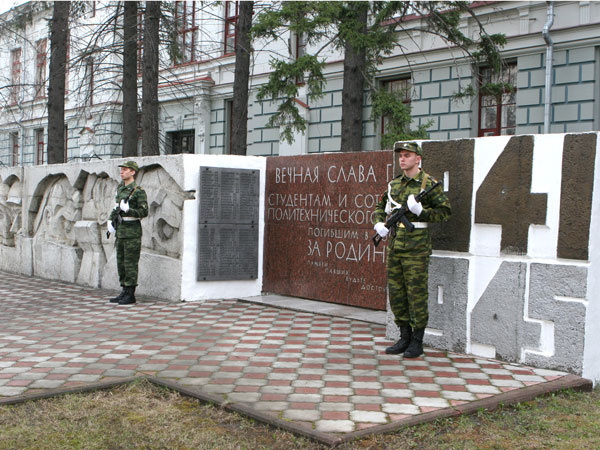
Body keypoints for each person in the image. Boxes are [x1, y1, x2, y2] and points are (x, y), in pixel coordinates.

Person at [373, 142, 451, 358]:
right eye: (400, 156)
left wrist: (421, 212)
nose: (402, 159)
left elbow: (445, 212)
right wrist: (379, 223)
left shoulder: (428, 184)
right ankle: (404, 336)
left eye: (407, 155)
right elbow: (380, 207)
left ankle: (417, 340)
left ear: (418, 158)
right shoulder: (394, 185)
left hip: (416, 248)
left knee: (415, 294)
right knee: (397, 293)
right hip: (396, 246)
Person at [107, 161, 148, 305]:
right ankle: (124, 290)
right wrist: (110, 221)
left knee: (130, 263)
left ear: (133, 172)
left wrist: (129, 210)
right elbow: (116, 208)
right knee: (121, 262)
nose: (122, 172)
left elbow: (144, 212)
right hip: (121, 230)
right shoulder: (120, 188)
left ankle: (131, 294)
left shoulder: (138, 191)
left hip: (132, 231)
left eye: (125, 170)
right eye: (121, 170)